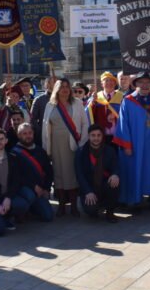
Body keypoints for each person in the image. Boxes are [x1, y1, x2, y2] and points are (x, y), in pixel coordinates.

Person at [114, 72, 150, 211]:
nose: (144, 85)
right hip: (135, 144)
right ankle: (135, 201)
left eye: (147, 82)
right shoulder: (128, 100)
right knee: (135, 171)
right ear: (135, 84)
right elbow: (123, 125)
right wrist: (126, 144)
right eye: (141, 82)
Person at [42, 78, 88, 216]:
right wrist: (46, 148)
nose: (65, 89)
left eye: (67, 86)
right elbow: (45, 127)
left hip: (73, 144)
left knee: (72, 175)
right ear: (56, 89)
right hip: (55, 144)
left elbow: (85, 124)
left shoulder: (78, 103)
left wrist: (82, 143)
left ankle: (74, 206)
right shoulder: (50, 105)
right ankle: (62, 205)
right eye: (62, 86)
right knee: (59, 174)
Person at [75, 124, 120, 223]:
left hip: (104, 185)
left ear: (102, 136)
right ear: (89, 136)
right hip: (89, 188)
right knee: (91, 211)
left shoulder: (109, 150)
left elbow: (115, 167)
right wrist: (87, 192)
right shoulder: (81, 152)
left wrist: (115, 174)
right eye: (93, 135)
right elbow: (80, 175)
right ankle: (96, 205)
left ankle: (110, 212)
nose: (96, 138)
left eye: (98, 135)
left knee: (115, 182)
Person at [12, 123, 55, 223]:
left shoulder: (40, 151)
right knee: (30, 195)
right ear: (19, 135)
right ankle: (22, 212)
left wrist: (46, 189)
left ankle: (32, 209)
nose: (28, 136)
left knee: (48, 216)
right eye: (24, 133)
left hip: (40, 190)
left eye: (30, 133)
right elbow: (17, 176)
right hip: (24, 189)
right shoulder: (14, 153)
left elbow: (49, 171)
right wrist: (33, 186)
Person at [87, 71, 124, 143]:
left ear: (115, 83)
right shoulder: (96, 97)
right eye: (106, 80)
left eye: (112, 81)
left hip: (118, 136)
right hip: (101, 136)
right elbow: (88, 114)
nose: (109, 83)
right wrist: (92, 103)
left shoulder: (122, 97)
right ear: (102, 84)